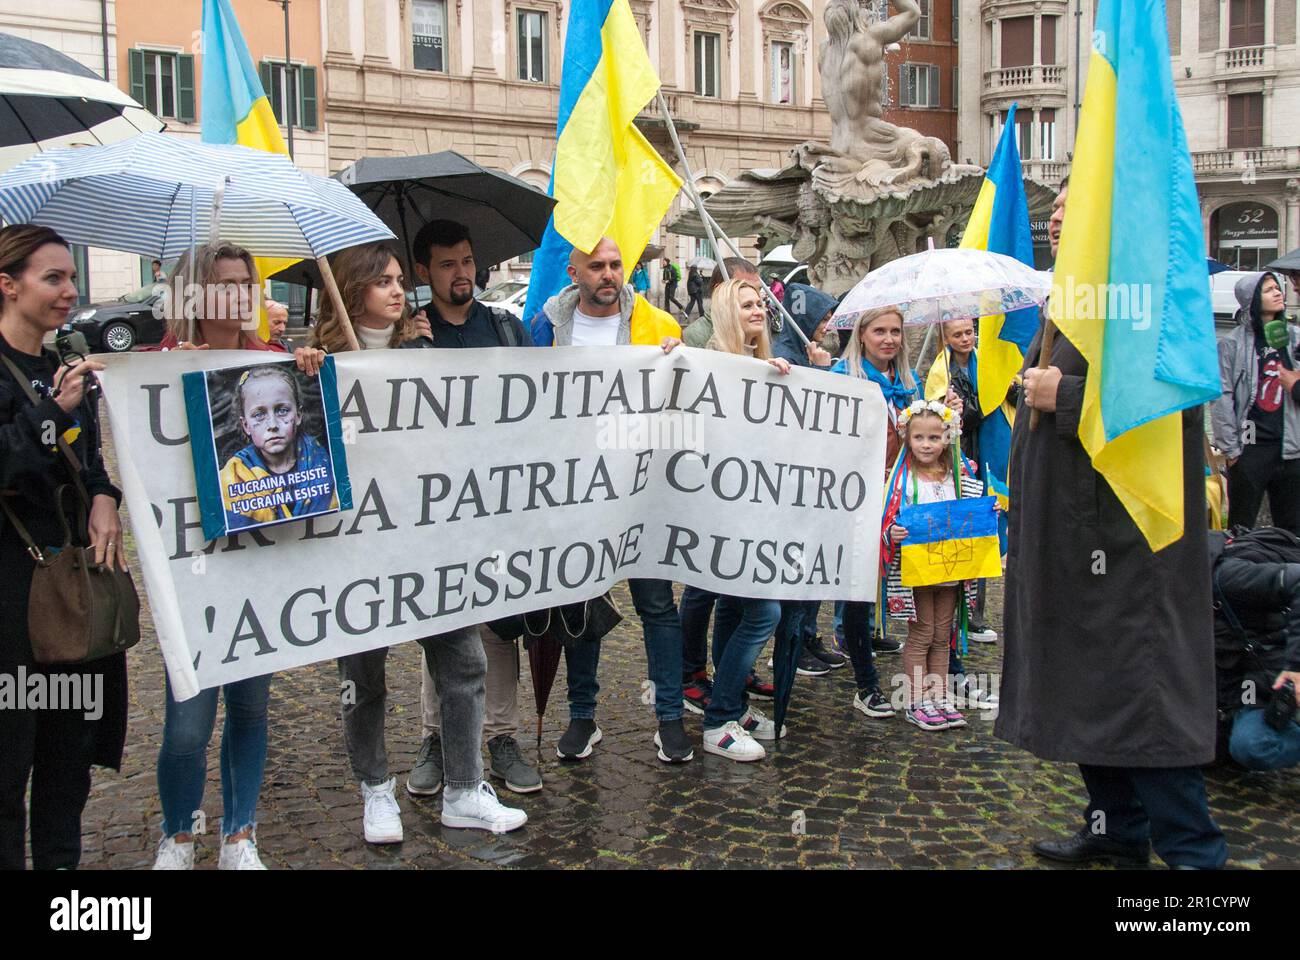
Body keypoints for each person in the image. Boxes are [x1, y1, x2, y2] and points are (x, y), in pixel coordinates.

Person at [997, 180, 1227, 870]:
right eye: (1058, 208)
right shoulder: (1075, 294)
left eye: (1074, 205)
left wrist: (1062, 394)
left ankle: (1193, 854)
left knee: (1141, 695)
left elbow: (1172, 404)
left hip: (1129, 549)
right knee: (1085, 689)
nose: (1057, 216)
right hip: (1071, 540)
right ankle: (1115, 829)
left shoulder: (1145, 296)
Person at [294, 242, 527, 842]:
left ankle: (464, 788)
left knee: (464, 659)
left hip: (424, 537)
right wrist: (310, 374)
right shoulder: (317, 364)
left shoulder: (422, 351)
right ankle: (376, 791)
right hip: (355, 545)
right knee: (365, 675)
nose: (398, 291)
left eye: (401, 280)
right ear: (351, 293)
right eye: (383, 283)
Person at [151, 243, 285, 870]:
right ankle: (179, 834)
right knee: (188, 720)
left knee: (251, 708)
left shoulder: (274, 366)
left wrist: (311, 368)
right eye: (223, 284)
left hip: (257, 563)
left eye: (245, 284)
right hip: (193, 570)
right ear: (194, 294)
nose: (238, 296)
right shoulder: (160, 368)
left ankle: (239, 834)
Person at [537, 236, 696, 763]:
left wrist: (681, 364)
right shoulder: (545, 329)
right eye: (598, 267)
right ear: (574, 272)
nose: (609, 274)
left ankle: (669, 717)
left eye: (616, 265)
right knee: (583, 601)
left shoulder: (660, 326)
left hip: (644, 487)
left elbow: (686, 403)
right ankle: (583, 716)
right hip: (577, 490)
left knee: (657, 604)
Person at [0, 225, 128, 870]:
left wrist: (106, 498)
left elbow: (93, 467)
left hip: (73, 597)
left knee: (65, 766)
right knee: (8, 767)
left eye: (72, 277)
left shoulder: (65, 367)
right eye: (53, 278)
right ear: (8, 284)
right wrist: (50, 415)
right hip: (13, 605)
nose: (69, 291)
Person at [405, 219, 539, 797]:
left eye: (466, 261)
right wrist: (406, 352)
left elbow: (549, 399)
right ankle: (437, 735)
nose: (461, 273)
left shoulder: (505, 329)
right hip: (437, 504)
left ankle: (501, 737)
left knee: (500, 625)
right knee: (444, 624)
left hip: (502, 501)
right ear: (422, 272)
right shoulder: (411, 334)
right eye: (446, 264)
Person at [669, 278, 792, 761]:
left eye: (760, 302)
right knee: (764, 611)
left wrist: (787, 381)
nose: (758, 309)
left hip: (756, 511)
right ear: (726, 312)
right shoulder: (708, 362)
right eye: (746, 304)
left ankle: (733, 704)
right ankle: (719, 717)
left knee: (736, 609)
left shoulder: (765, 363)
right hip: (719, 513)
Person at [829, 305, 920, 716]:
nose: (889, 339)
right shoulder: (843, 378)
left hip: (901, 498)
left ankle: (938, 676)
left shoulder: (908, 384)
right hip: (858, 500)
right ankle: (866, 684)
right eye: (880, 331)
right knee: (859, 592)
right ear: (861, 335)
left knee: (915, 586)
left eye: (896, 332)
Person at [879, 401, 985, 730]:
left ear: (947, 439)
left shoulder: (959, 476)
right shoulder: (901, 480)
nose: (927, 445)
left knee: (943, 635)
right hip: (919, 571)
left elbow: (971, 512)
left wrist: (986, 516)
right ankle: (915, 699)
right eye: (919, 438)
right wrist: (892, 532)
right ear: (908, 439)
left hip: (951, 570)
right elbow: (887, 518)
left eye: (934, 438)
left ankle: (938, 695)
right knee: (922, 633)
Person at [770, 282, 846, 677]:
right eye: (824, 316)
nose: (828, 324)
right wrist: (817, 373)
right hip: (793, 483)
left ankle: (807, 635)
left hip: (813, 480)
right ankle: (792, 643)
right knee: (797, 572)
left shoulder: (805, 351)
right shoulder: (786, 356)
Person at [924, 318, 1000, 643]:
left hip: (989, 454)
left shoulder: (988, 361)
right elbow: (939, 418)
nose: (966, 338)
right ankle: (953, 612)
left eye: (969, 331)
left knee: (985, 528)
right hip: (960, 459)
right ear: (946, 338)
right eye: (958, 334)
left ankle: (975, 614)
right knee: (961, 530)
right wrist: (952, 409)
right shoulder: (941, 372)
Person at [1211, 271, 1300, 534]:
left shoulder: (1293, 337)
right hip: (1250, 449)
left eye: (1278, 287)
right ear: (1251, 299)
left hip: (1291, 448)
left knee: (1292, 527)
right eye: (1269, 289)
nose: (1278, 292)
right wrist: (1231, 448)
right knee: (1241, 526)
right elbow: (1222, 395)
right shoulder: (1232, 343)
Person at [1210, 526, 1300, 771]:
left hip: (1275, 667)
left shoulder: (1229, 576)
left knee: (1252, 746)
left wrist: (1295, 667)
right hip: (1239, 681)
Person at [219, 365, 337, 530]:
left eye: (282, 411)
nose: (272, 425)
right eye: (259, 414)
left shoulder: (327, 463)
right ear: (246, 425)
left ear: (298, 416)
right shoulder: (234, 476)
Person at [155, 243, 286, 353]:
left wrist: (304, 367)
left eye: (248, 285)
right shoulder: (159, 360)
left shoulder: (270, 358)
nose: (244, 297)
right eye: (227, 287)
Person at [682, 257, 761, 349]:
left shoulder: (758, 326)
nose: (754, 295)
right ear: (719, 290)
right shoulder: (696, 335)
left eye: (758, 289)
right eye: (743, 287)